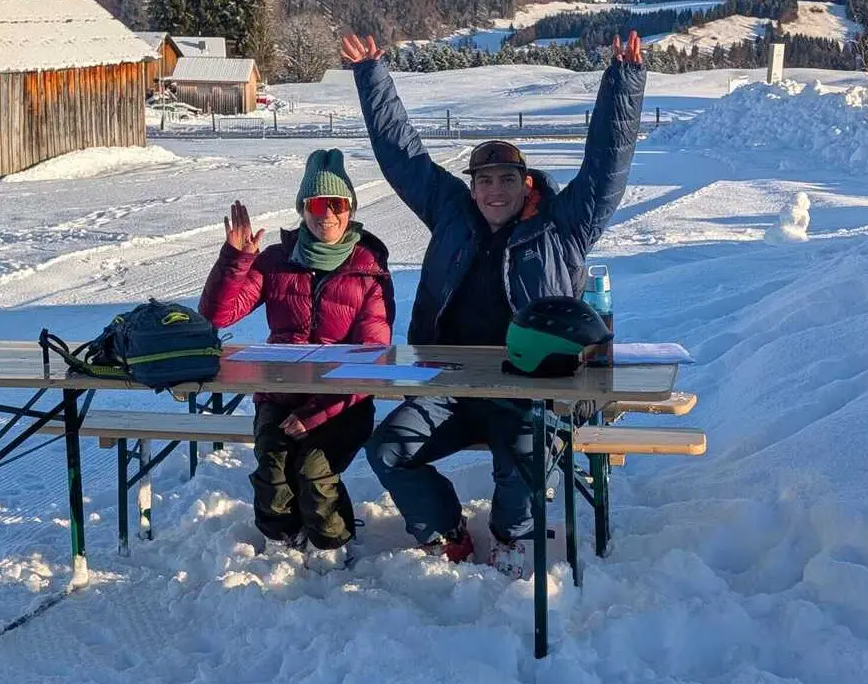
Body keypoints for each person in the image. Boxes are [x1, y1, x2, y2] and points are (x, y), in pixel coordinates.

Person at [340, 32, 647, 578]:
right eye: (484, 181)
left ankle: (512, 535)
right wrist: (372, 75)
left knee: (527, 459)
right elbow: (402, 154)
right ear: (473, 188)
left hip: (529, 390)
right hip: (452, 387)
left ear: (526, 184)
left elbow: (605, 168)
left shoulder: (563, 228)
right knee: (387, 449)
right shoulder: (452, 215)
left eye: (508, 179)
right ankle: (445, 531)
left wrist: (622, 81)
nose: (494, 191)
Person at [198, 149, 394, 572]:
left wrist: (315, 414)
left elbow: (374, 359)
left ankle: (331, 542)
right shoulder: (275, 261)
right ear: (303, 210)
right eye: (317, 205)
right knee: (272, 467)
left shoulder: (368, 269)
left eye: (337, 204)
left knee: (312, 470)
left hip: (343, 402)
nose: (327, 215)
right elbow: (217, 316)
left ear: (351, 209)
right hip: (280, 394)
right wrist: (235, 261)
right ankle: (282, 538)